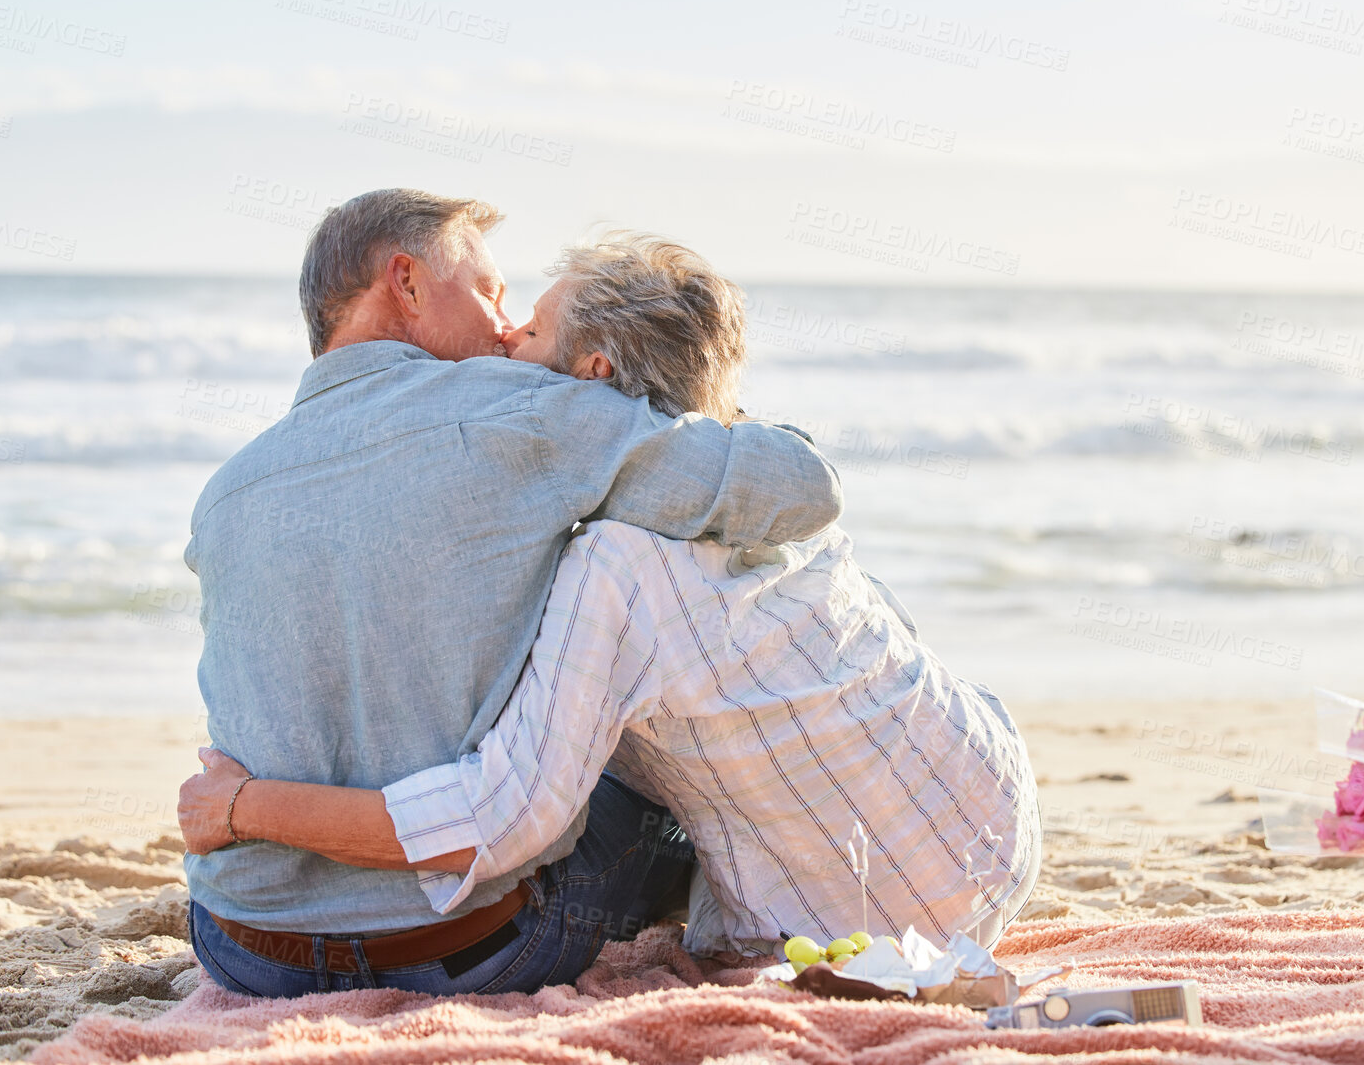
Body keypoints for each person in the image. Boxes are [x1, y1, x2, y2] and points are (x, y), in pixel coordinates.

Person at [183, 233, 1040, 960]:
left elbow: (496, 819)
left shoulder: (612, 564)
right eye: (494, 297)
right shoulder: (735, 489)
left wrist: (241, 806)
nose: (506, 332)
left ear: (588, 375)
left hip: (847, 926)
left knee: (589, 760)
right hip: (995, 827)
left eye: (528, 325)